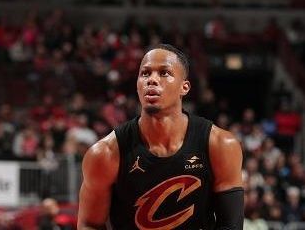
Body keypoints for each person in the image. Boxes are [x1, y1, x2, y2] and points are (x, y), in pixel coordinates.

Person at [77, 44, 244, 230]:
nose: (152, 80)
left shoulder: (220, 145)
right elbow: (90, 224)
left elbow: (231, 226)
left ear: (185, 87)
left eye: (164, 73)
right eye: (145, 73)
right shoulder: (105, 154)